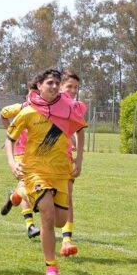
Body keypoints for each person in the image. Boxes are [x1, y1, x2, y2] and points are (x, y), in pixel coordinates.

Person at [5, 69, 87, 275]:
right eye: (49, 83)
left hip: (60, 172)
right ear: (39, 86)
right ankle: (51, 267)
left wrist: (78, 160)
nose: (53, 86)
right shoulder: (28, 111)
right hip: (35, 171)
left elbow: (80, 129)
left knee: (59, 221)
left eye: (56, 83)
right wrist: (13, 162)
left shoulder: (68, 108)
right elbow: (9, 138)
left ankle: (20, 193)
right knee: (48, 215)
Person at [0, 82, 41, 239]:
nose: (35, 94)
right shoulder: (20, 107)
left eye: (37, 91)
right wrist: (11, 134)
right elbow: (2, 114)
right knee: (25, 184)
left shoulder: (45, 110)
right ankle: (30, 226)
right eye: (32, 91)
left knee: (23, 190)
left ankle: (12, 198)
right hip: (21, 153)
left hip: (38, 155)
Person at [57, 70, 88, 256]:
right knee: (43, 200)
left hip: (65, 157)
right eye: (69, 86)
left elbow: (80, 130)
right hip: (43, 160)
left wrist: (80, 159)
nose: (73, 90)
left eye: (76, 87)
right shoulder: (48, 103)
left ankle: (67, 240)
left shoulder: (75, 107)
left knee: (68, 195)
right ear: (60, 86)